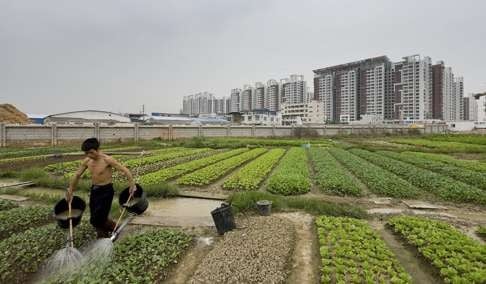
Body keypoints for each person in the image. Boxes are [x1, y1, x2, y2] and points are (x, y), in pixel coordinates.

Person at [66, 138, 137, 238]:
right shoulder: (87, 161)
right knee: (94, 217)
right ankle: (102, 235)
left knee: (100, 217)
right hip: (94, 190)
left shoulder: (107, 160)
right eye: (87, 153)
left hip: (106, 191)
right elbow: (77, 175)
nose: (89, 155)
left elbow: (124, 170)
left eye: (91, 152)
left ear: (97, 149)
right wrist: (70, 190)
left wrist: (132, 185)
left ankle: (115, 228)